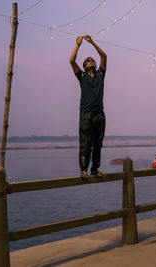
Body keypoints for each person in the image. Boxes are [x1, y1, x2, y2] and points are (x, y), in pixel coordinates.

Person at [70, 35, 107, 179]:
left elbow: (104, 56)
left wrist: (92, 43)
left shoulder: (100, 74)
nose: (90, 61)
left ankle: (95, 169)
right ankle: (83, 170)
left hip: (99, 114)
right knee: (85, 143)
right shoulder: (82, 76)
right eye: (87, 61)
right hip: (86, 114)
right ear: (85, 66)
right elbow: (72, 61)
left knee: (98, 144)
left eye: (92, 60)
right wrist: (78, 45)